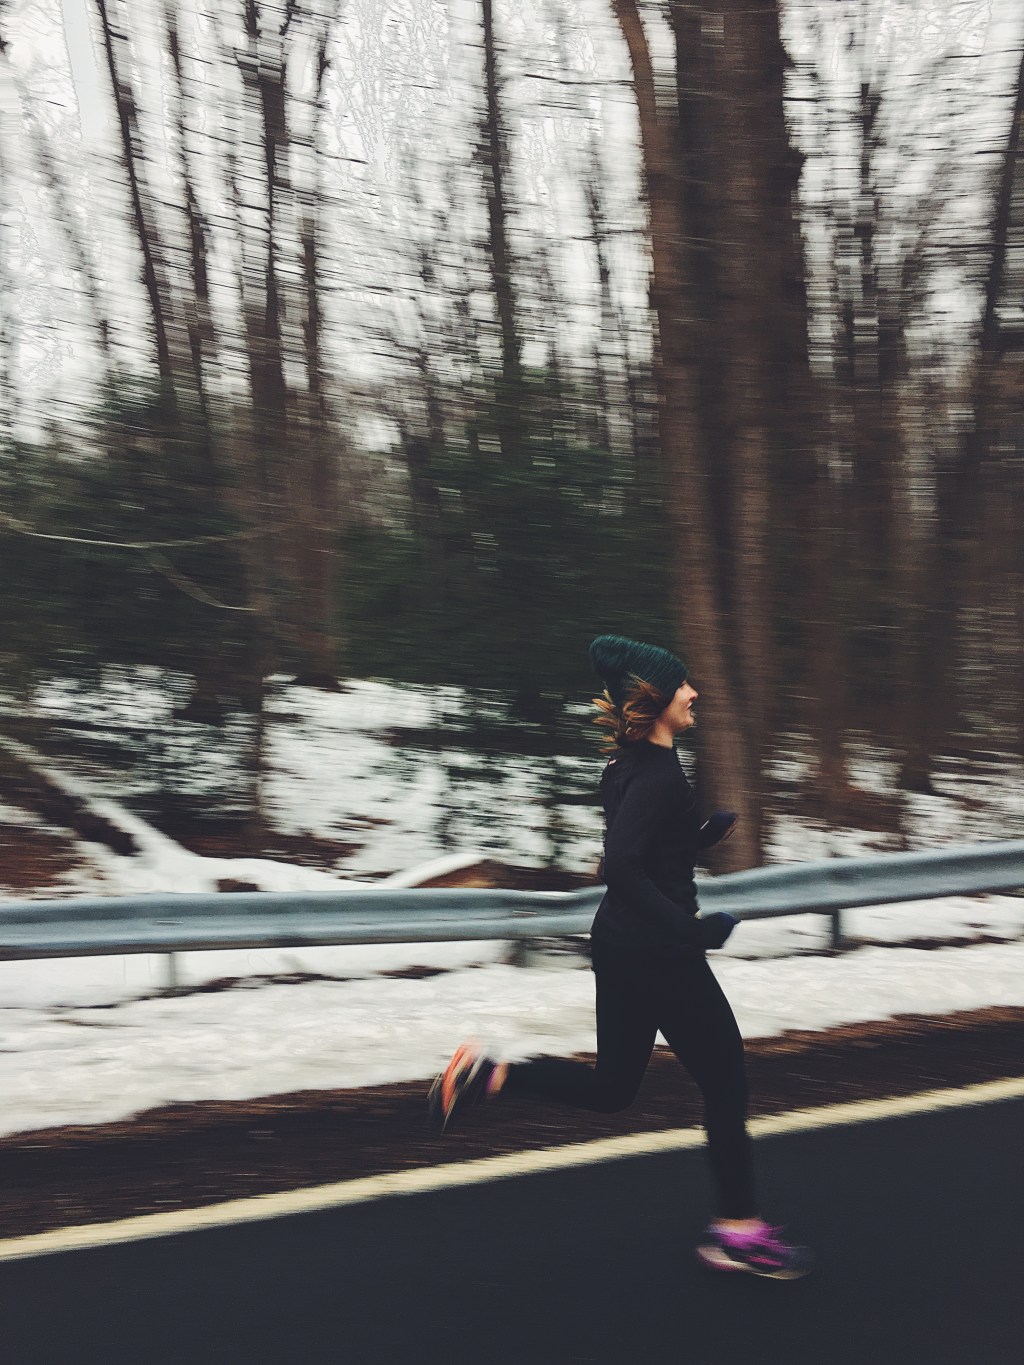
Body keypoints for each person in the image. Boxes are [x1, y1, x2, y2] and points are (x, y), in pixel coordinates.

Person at [428, 635, 812, 1280]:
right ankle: (741, 1232)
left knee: (614, 1089)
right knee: (725, 1085)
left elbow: (639, 850)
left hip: (624, 946)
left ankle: (491, 1076)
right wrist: (690, 932)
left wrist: (697, 838)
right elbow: (623, 868)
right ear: (655, 699)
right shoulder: (657, 773)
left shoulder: (631, 762)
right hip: (660, 953)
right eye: (683, 686)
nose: (695, 693)